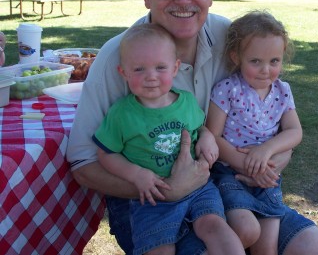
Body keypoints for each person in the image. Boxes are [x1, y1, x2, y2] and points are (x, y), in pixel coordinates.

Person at [67, 0, 318, 255]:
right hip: (150, 206)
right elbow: (83, 163)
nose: (184, 0)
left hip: (229, 183)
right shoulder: (117, 58)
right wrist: (166, 189)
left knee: (315, 247)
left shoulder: (234, 40)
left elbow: (270, 111)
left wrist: (275, 158)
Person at [93, 23, 244, 255]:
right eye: (139, 69)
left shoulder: (186, 102)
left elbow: (200, 128)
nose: (151, 77)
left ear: (175, 68)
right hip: (152, 199)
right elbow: (105, 153)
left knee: (216, 227)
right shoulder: (121, 114)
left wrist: (206, 138)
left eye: (160, 67)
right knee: (159, 248)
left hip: (198, 188)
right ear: (123, 72)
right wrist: (136, 174)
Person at [205, 11, 302, 254]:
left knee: (267, 248)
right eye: (255, 61)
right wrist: (247, 164)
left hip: (268, 179)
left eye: (274, 61)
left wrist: (266, 150)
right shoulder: (227, 89)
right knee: (247, 230)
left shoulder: (282, 91)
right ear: (236, 57)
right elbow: (212, 136)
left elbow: (294, 131)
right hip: (230, 176)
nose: (265, 70)